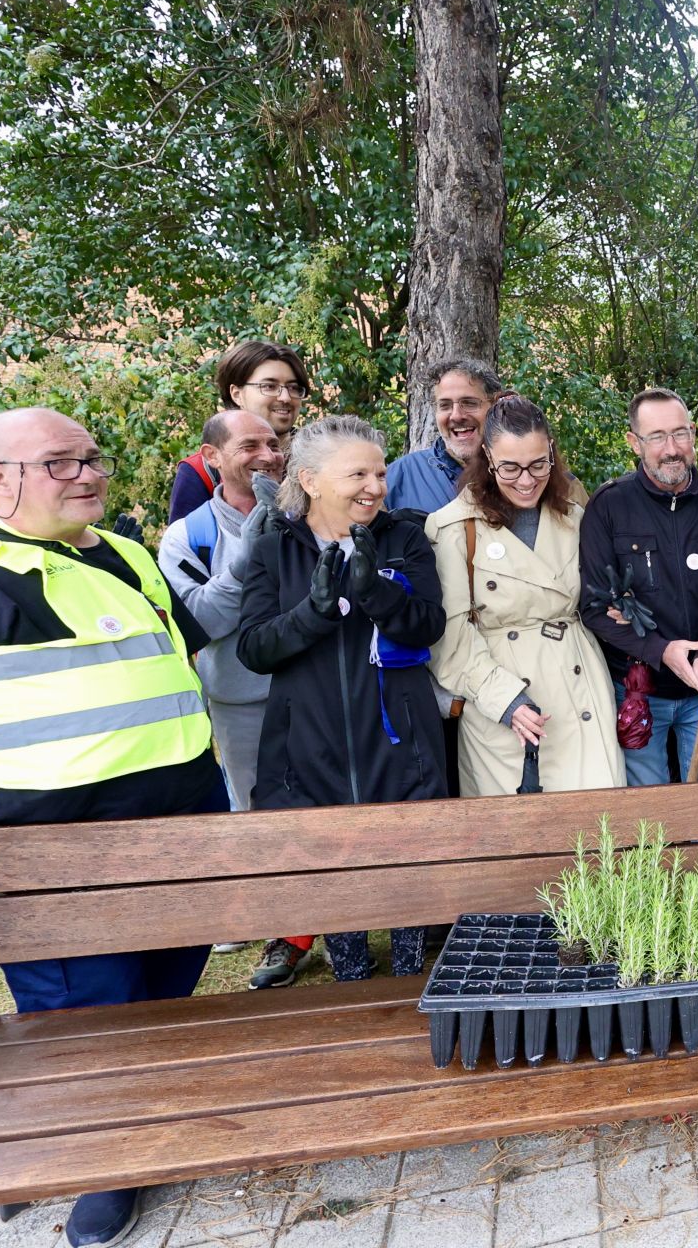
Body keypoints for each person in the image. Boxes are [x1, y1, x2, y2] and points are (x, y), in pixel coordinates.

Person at [0, 408, 224, 1247]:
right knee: (82, 1011)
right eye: (60, 463)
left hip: (178, 818)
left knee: (159, 987)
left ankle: (138, 1123)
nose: (88, 474)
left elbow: (174, 643)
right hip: (49, 839)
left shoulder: (122, 552)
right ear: (0, 478)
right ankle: (100, 1162)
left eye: (92, 457)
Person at [237, 415, 447, 989]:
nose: (375, 487)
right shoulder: (274, 547)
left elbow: (428, 624)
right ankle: (350, 976)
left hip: (398, 737)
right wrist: (314, 613)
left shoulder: (404, 537)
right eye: (358, 474)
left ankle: (408, 979)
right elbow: (254, 648)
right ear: (310, 480)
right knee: (331, 867)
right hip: (309, 740)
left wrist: (373, 590)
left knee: (403, 863)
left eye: (379, 473)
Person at [428, 396, 625, 794]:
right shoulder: (454, 527)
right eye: (510, 468)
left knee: (599, 830)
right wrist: (507, 700)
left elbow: (596, 592)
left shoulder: (573, 512)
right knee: (518, 842)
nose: (526, 480)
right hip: (501, 701)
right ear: (486, 457)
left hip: (580, 683)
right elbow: (450, 641)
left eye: (538, 464)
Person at [577, 388, 698, 786]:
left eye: (680, 434)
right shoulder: (609, 507)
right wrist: (661, 651)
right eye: (657, 437)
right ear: (635, 443)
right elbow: (594, 607)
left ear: (694, 434)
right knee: (649, 812)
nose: (671, 449)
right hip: (638, 691)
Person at [157, 411, 285, 815]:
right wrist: (243, 565)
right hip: (241, 703)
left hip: (319, 693)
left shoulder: (310, 516)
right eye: (249, 446)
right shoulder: (189, 536)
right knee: (255, 812)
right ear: (212, 455)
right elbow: (199, 625)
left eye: (273, 445)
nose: (267, 456)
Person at [168, 339, 308, 524]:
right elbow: (185, 547)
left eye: (293, 387)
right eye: (269, 386)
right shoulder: (202, 471)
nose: (285, 397)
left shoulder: (320, 458)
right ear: (236, 394)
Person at [385, 357, 500, 512]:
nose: (456, 416)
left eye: (469, 403)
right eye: (445, 405)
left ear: (494, 405)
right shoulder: (397, 478)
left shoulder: (521, 472)